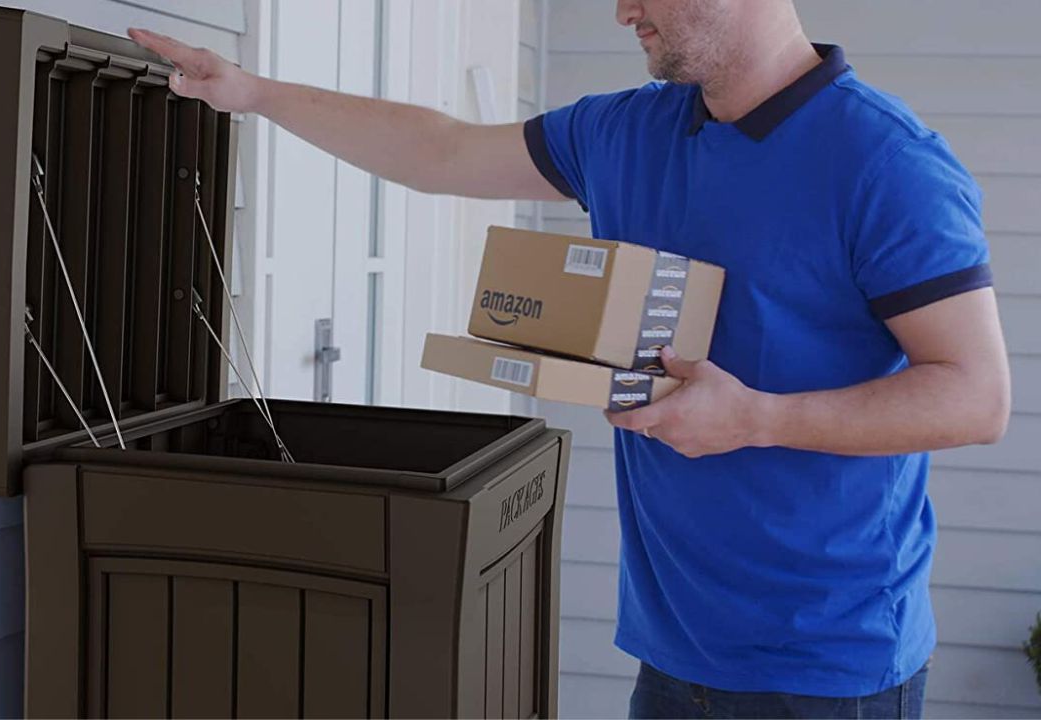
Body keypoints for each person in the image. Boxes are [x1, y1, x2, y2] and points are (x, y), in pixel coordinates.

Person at [129, 0, 1011, 716]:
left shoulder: (884, 163)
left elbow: (975, 398)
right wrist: (252, 92)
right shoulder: (624, 133)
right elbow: (442, 151)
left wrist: (758, 417)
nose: (622, 10)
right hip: (673, 651)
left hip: (826, 667)